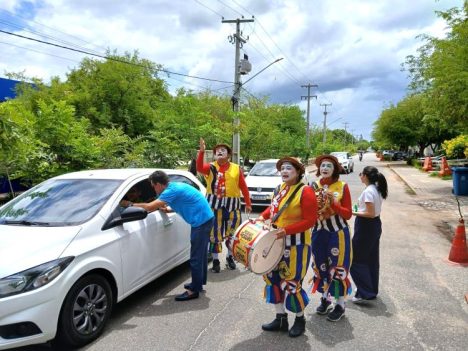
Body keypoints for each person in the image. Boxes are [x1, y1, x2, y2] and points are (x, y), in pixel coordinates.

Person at [121, 170, 214, 301]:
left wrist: (128, 204)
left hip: (201, 222)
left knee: (196, 257)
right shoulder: (175, 186)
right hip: (205, 219)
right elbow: (185, 201)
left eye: (153, 185)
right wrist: (170, 209)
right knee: (200, 254)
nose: (153, 189)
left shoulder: (171, 191)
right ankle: (198, 283)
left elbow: (149, 207)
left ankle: (193, 290)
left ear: (158, 184)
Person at [254, 157, 317, 337]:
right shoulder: (279, 189)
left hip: (297, 245)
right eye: (282, 168)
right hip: (275, 243)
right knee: (272, 279)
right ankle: (280, 318)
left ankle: (300, 319)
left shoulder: (306, 191)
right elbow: (273, 209)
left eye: (288, 168)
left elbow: (310, 220)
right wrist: (261, 217)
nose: (284, 171)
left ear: (298, 172)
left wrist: (286, 230)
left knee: (291, 283)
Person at [196, 138, 252, 273]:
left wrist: (248, 203)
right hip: (214, 206)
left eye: (223, 150)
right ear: (215, 154)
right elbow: (198, 168)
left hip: (233, 206)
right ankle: (215, 260)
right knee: (214, 234)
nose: (220, 152)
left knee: (232, 234)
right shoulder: (210, 167)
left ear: (228, 154)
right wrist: (202, 152)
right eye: (217, 151)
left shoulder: (236, 168)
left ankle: (230, 257)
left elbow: (243, 186)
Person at [309, 154, 353, 322]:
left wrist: (334, 203)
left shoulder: (342, 186)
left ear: (335, 169)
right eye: (322, 165)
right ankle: (326, 298)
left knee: (337, 267)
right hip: (319, 232)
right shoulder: (312, 186)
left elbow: (348, 214)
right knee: (320, 266)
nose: (325, 168)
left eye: (329, 165)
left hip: (338, 233)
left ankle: (340, 304)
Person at [350, 166, 388, 303]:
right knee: (371, 259)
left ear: (365, 176)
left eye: (361, 173)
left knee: (355, 259)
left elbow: (370, 214)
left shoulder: (368, 192)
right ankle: (369, 289)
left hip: (366, 226)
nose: (359, 176)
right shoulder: (375, 189)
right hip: (374, 225)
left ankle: (365, 293)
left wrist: (352, 213)